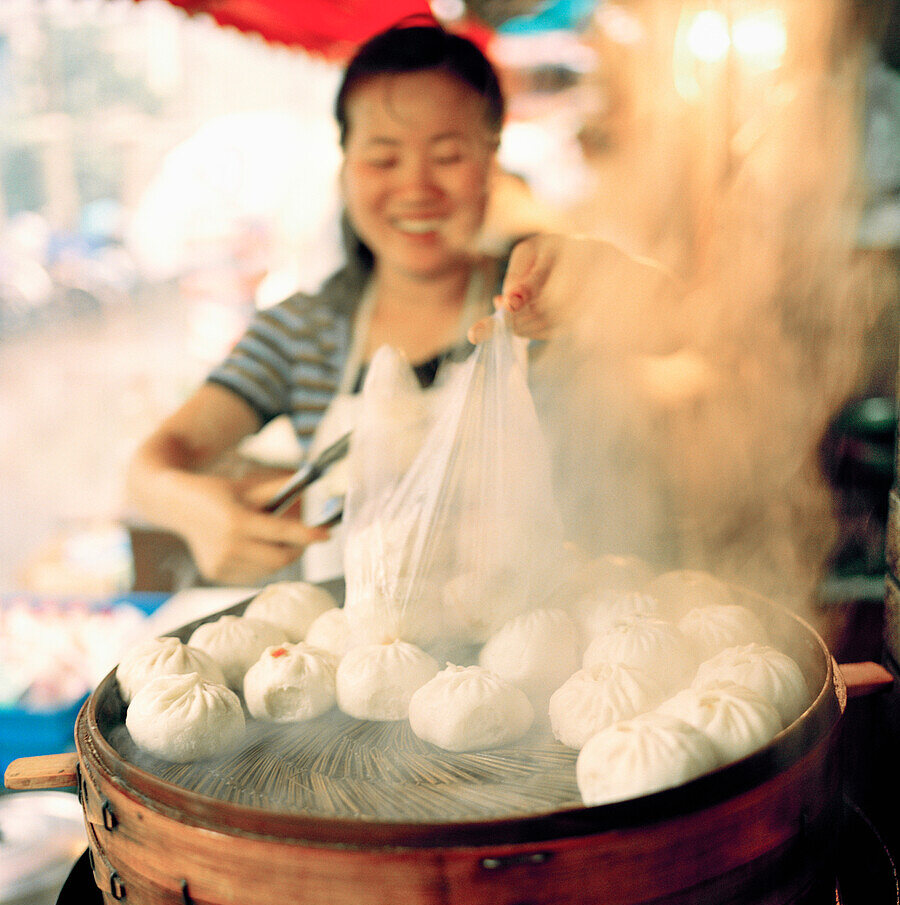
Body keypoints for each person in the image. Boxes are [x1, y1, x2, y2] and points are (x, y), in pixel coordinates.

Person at [126, 21, 683, 587]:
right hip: (356, 664)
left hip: (540, 655)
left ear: (492, 160)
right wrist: (193, 510)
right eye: (384, 158)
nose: (416, 187)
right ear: (345, 165)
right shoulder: (303, 332)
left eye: (448, 155)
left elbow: (688, 322)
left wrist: (603, 279)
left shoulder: (536, 301)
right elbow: (151, 466)